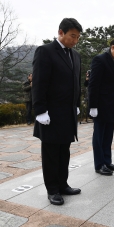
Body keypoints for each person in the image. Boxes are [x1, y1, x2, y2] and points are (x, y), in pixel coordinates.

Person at [32, 18, 83, 206]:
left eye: (77, 37)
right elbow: (38, 83)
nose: (75, 40)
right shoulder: (45, 51)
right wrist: (40, 111)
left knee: (65, 150)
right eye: (72, 36)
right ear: (60, 32)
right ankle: (52, 189)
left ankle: (63, 184)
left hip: (68, 112)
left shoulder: (75, 55)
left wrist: (76, 104)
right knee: (51, 152)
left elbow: (77, 84)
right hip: (51, 113)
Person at [88, 38, 114, 176]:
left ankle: (107, 161)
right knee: (99, 136)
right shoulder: (99, 60)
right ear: (113, 47)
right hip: (100, 105)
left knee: (108, 135)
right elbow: (93, 84)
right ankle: (99, 165)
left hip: (111, 105)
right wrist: (93, 106)